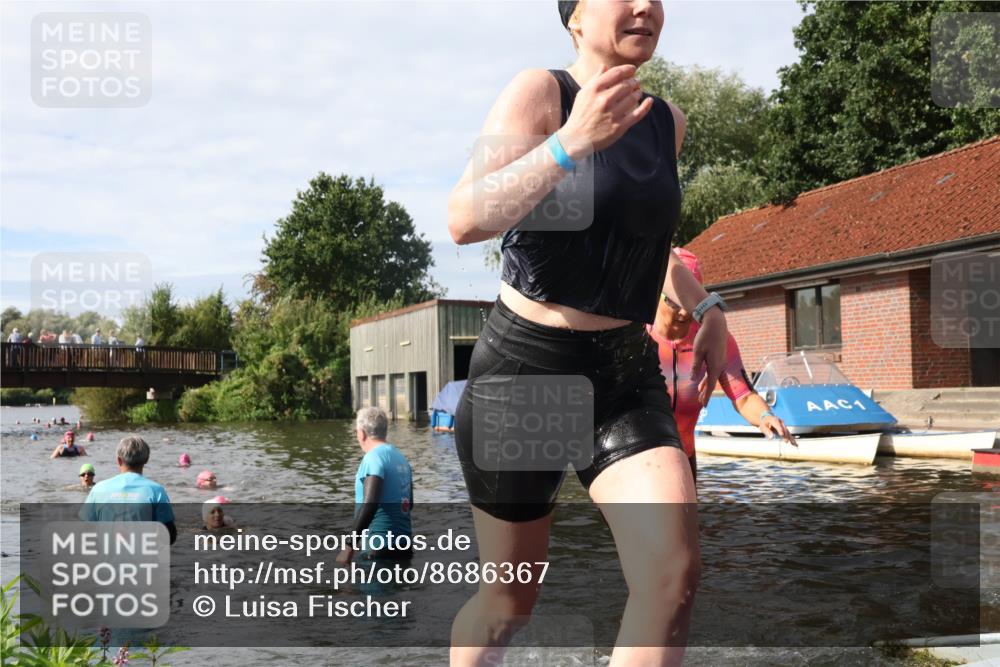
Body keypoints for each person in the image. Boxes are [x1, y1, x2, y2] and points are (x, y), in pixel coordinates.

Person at [447, 2, 730, 662]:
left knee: (673, 574)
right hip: (526, 377)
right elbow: (463, 217)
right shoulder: (541, 94)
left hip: (624, 374)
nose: (646, 7)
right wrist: (571, 141)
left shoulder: (666, 123)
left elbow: (646, 242)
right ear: (574, 18)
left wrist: (707, 305)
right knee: (507, 605)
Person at [648, 248, 797, 483]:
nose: (685, 311)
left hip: (684, 458)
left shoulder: (716, 339)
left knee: (686, 520)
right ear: (656, 293)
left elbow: (743, 396)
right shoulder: (633, 334)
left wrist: (765, 416)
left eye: (693, 303)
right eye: (675, 302)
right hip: (636, 460)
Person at [336, 407, 414, 564]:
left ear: (362, 433)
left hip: (378, 550)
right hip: (404, 548)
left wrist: (349, 546)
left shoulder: (373, 459)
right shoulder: (401, 458)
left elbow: (370, 504)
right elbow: (409, 503)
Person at [79, 436, 177, 544]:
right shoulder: (156, 491)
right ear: (146, 459)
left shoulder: (98, 490)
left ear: (119, 460)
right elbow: (169, 536)